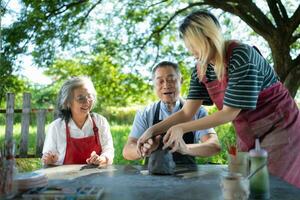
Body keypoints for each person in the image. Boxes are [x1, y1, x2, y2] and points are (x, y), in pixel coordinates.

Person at [137, 10, 300, 187]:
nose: (190, 50)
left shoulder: (241, 55)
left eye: (192, 44)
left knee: (273, 185)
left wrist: (180, 128)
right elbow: (187, 112)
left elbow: (228, 113)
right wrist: (152, 130)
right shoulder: (201, 68)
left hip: (281, 127)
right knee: (245, 186)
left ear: (207, 37)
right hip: (248, 133)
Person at [123, 61, 220, 165]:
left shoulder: (197, 111)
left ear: (181, 81)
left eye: (171, 80)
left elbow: (214, 146)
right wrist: (144, 149)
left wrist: (186, 148)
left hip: (188, 176)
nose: (166, 85)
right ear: (154, 84)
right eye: (160, 81)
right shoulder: (145, 113)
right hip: (154, 178)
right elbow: (127, 151)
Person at [42, 76, 114, 166]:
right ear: (67, 102)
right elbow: (48, 158)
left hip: (97, 176)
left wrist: (102, 159)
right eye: (81, 98)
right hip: (65, 178)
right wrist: (50, 160)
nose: (87, 101)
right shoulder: (56, 127)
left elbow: (108, 150)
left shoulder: (100, 122)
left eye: (89, 96)